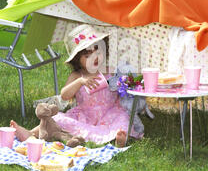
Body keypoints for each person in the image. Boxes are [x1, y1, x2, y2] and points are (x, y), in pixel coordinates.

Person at [10, 24, 143, 147]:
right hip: (84, 117)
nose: (94, 57)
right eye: (87, 55)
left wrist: (126, 82)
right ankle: (31, 133)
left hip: (109, 114)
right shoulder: (77, 76)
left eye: (97, 51)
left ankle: (121, 138)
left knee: (124, 119)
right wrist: (80, 82)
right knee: (56, 119)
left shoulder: (110, 70)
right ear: (77, 61)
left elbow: (126, 84)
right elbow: (64, 95)